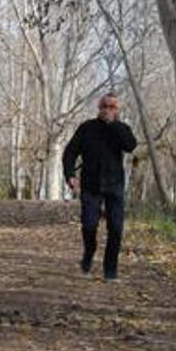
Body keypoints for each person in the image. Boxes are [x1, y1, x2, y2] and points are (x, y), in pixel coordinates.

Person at [62, 92, 137, 281]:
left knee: (116, 229)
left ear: (117, 110)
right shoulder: (87, 128)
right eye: (104, 106)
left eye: (112, 107)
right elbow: (70, 152)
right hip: (90, 185)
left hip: (115, 185)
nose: (107, 110)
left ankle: (110, 271)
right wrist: (70, 175)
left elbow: (130, 146)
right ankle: (89, 253)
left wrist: (114, 124)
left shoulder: (122, 129)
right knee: (89, 225)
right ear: (98, 108)